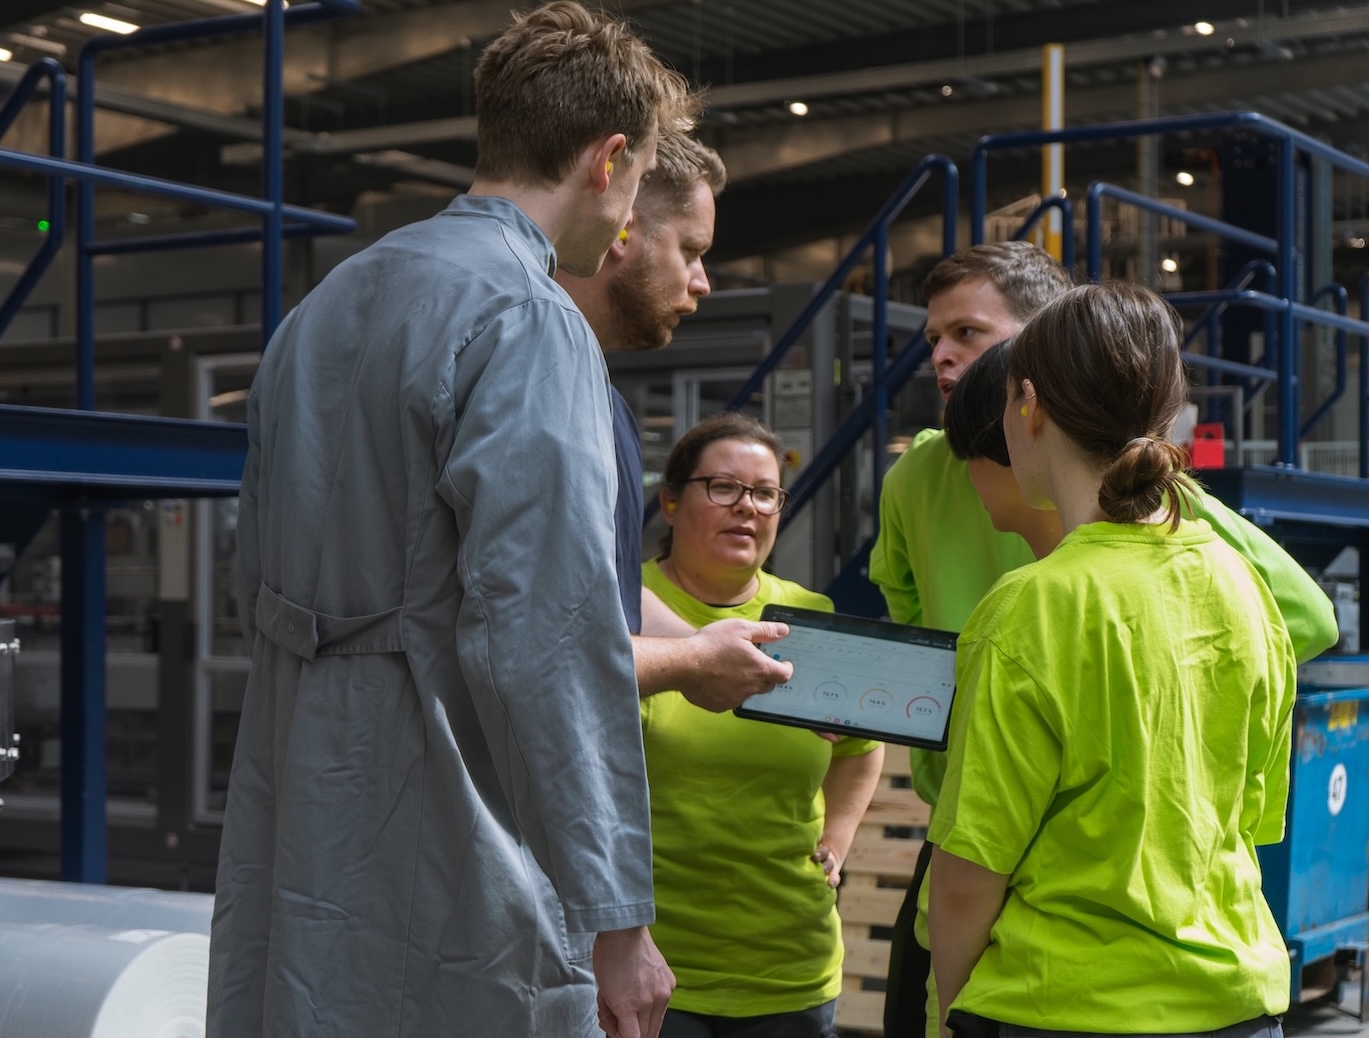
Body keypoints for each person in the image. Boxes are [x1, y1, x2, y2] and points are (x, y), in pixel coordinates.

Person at [209, 5, 695, 1037]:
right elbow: (545, 635)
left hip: (295, 811)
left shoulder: (327, 304)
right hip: (449, 835)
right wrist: (616, 919)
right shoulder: (528, 319)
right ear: (609, 160)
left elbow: (252, 573)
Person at [929, 283, 1295, 1038]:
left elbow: (970, 871)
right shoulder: (1241, 583)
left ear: (1028, 407)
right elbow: (1251, 818)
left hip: (1063, 1007)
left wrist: (958, 1006)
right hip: (1237, 1001)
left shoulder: (1029, 607)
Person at [872, 243, 1071, 1038]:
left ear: (1046, 342)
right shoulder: (916, 477)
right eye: (932, 339)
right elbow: (907, 617)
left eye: (968, 333)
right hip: (961, 825)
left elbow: (1298, 616)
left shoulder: (1121, 476)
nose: (943, 355)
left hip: (1071, 844)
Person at [641, 412, 885, 1038]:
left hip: (789, 969)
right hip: (649, 968)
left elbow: (860, 746)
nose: (746, 508)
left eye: (765, 493)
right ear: (670, 502)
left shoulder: (808, 615)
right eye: (722, 487)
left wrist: (837, 840)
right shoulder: (621, 609)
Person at [556, 133, 792, 711]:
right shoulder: (549, 395)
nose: (703, 281)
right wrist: (692, 660)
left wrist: (710, 652)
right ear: (621, 225)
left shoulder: (601, 403)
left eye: (765, 493)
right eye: (690, 250)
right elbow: (540, 641)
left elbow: (600, 608)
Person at [945, 339, 1347, 663]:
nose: (966, 476)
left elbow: (1312, 621)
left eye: (967, 456)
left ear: (1023, 434)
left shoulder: (1022, 604)